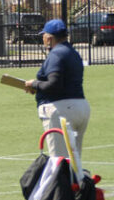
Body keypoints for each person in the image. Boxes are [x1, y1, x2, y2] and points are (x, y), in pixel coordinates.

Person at [23, 19, 90, 159]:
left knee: (59, 162)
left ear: (49, 38)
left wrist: (34, 84)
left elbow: (54, 84)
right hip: (81, 107)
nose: (42, 38)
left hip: (61, 110)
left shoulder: (56, 54)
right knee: (74, 161)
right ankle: (76, 181)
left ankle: (63, 181)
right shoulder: (73, 53)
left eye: (44, 35)